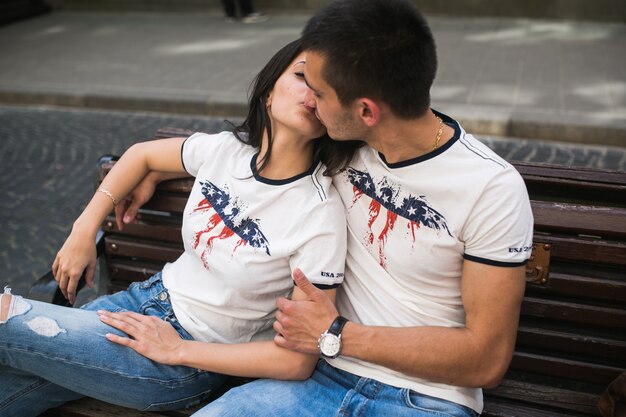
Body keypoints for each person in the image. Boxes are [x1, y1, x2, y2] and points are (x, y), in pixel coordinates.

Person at [175, 0, 531, 415]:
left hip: (426, 400)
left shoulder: (490, 188)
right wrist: (138, 175)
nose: (311, 102)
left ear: (366, 111)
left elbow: (486, 358)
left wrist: (335, 332)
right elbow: (227, 154)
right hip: (318, 381)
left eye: (320, 93)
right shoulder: (341, 149)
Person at [0, 38, 362, 417]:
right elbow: (141, 155)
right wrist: (83, 230)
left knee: (8, 320)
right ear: (268, 92)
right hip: (138, 302)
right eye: (303, 76)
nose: (313, 92)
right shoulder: (225, 151)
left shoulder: (318, 214)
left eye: (326, 89)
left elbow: (296, 362)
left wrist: (179, 350)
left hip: (184, 359)